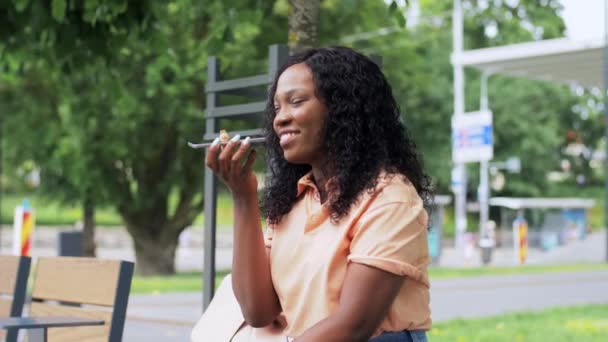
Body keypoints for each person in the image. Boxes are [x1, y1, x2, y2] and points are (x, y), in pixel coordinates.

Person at [205, 46, 433, 342]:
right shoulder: (295, 200)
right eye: (277, 108)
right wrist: (243, 196)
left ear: (342, 108)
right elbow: (257, 311)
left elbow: (353, 325)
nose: (279, 120)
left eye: (296, 102)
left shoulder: (391, 198)